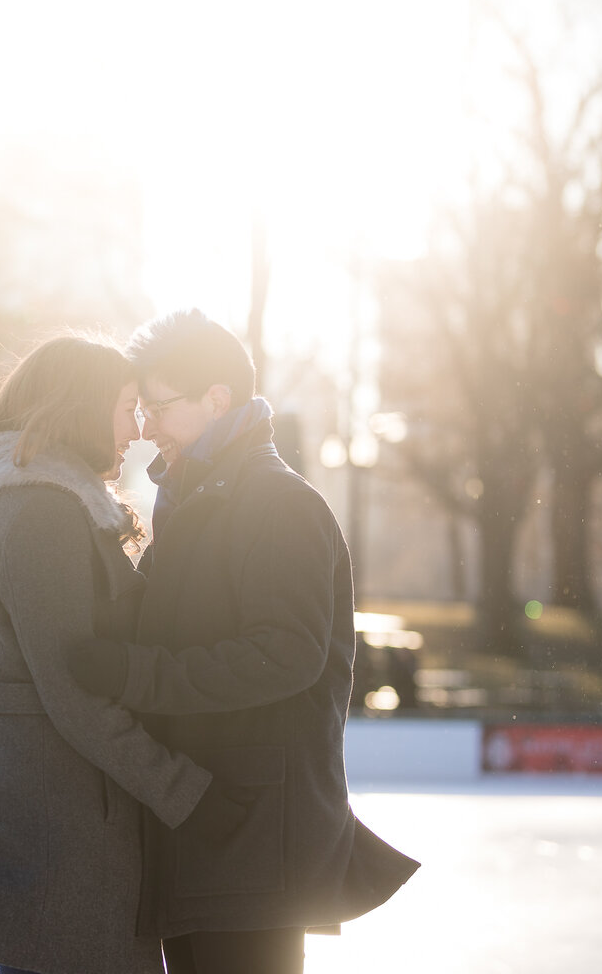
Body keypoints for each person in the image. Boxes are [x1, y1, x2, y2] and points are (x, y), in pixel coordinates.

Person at [0, 335, 239, 974]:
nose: (136, 431)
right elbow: (75, 695)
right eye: (125, 409)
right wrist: (183, 791)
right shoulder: (43, 517)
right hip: (62, 834)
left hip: (59, 822)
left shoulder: (53, 508)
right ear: (79, 409)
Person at [75, 310, 419, 973]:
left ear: (216, 398)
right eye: (140, 410)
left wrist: (134, 675)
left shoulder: (277, 503)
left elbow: (285, 654)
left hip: (253, 831)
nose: (146, 428)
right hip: (207, 823)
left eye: (159, 408)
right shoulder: (197, 500)